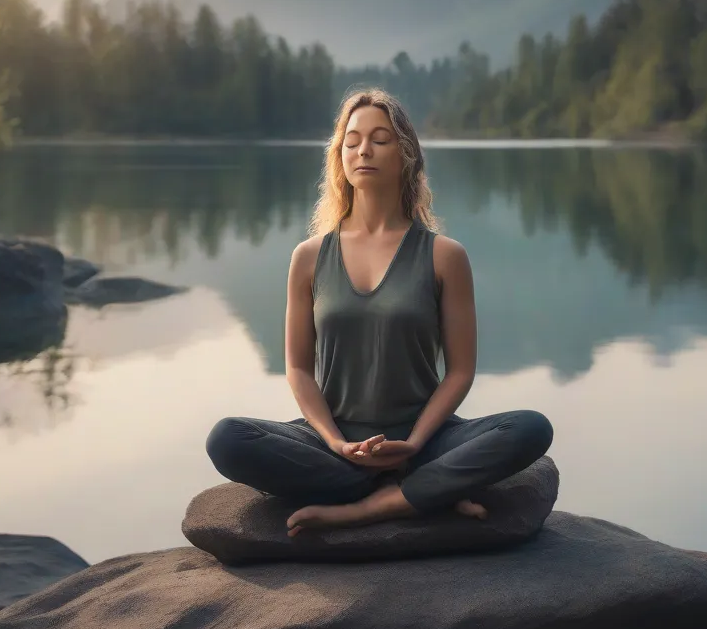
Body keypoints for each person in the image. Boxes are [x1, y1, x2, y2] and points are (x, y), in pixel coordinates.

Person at [206, 88, 553, 537]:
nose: (363, 150)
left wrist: (413, 444)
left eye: (379, 139)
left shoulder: (444, 256)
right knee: (227, 439)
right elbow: (297, 368)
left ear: (406, 153)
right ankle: (418, 493)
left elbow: (460, 371)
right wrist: (336, 441)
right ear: (339, 157)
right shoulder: (309, 257)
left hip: (427, 438)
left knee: (529, 429)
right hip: (335, 440)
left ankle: (370, 504)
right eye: (351, 141)